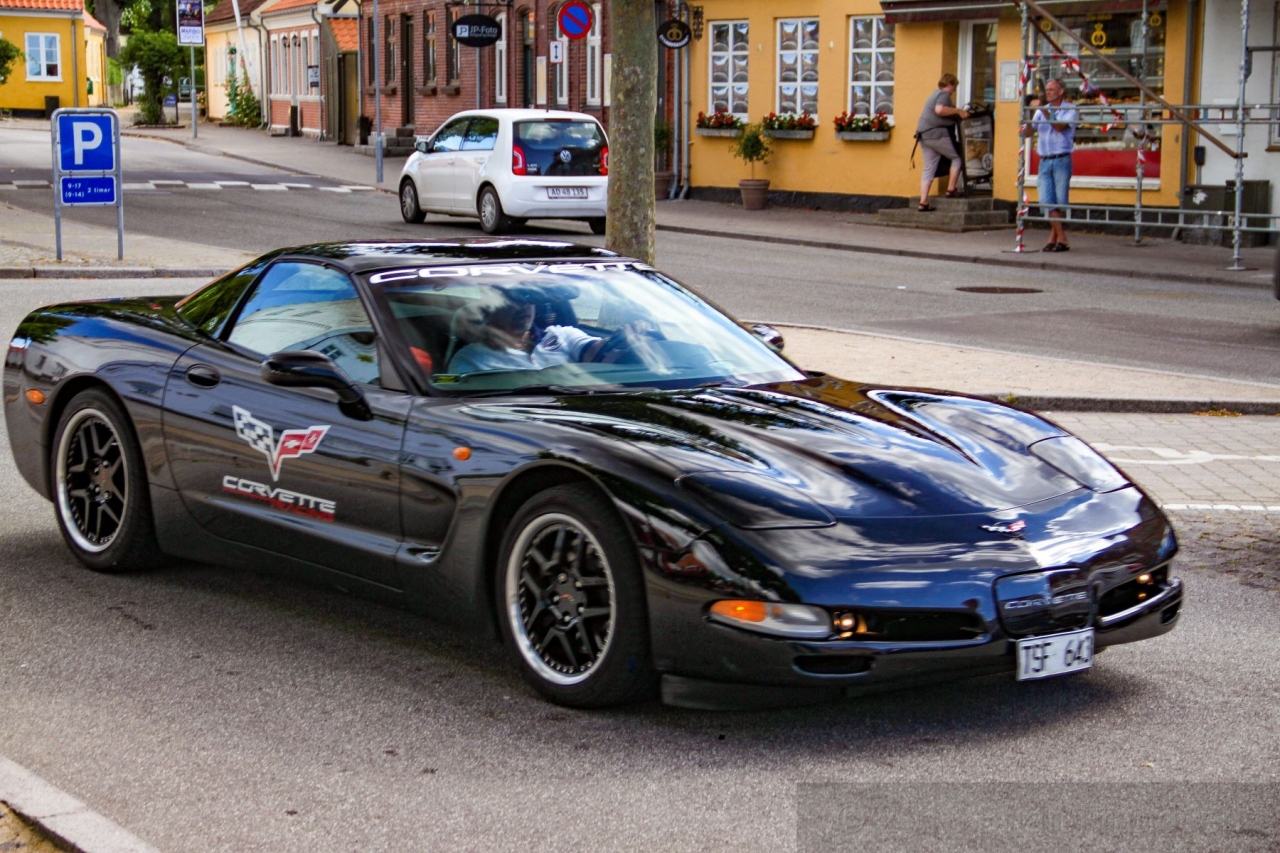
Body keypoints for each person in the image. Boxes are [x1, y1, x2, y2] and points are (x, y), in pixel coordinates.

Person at [447, 297, 602, 374]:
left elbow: (601, 351)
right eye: (512, 300)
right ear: (490, 310)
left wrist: (616, 343)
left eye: (528, 299)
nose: (524, 307)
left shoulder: (562, 334)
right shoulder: (470, 358)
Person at [1025, 78, 1077, 252]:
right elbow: (1028, 133)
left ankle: (1054, 238)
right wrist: (1028, 115)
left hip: (1062, 159)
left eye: (1051, 90)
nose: (1047, 92)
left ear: (1061, 91)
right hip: (1045, 160)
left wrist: (1042, 110)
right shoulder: (1042, 111)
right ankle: (1061, 238)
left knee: (1060, 202)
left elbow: (1059, 127)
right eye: (1046, 90)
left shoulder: (1070, 109)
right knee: (1046, 201)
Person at [915, 72, 970, 212]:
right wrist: (958, 111)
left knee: (929, 167)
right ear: (950, 85)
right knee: (958, 157)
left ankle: (923, 202)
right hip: (936, 134)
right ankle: (951, 189)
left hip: (924, 135)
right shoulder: (943, 94)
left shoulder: (934, 94)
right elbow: (939, 110)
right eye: (954, 87)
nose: (954, 91)